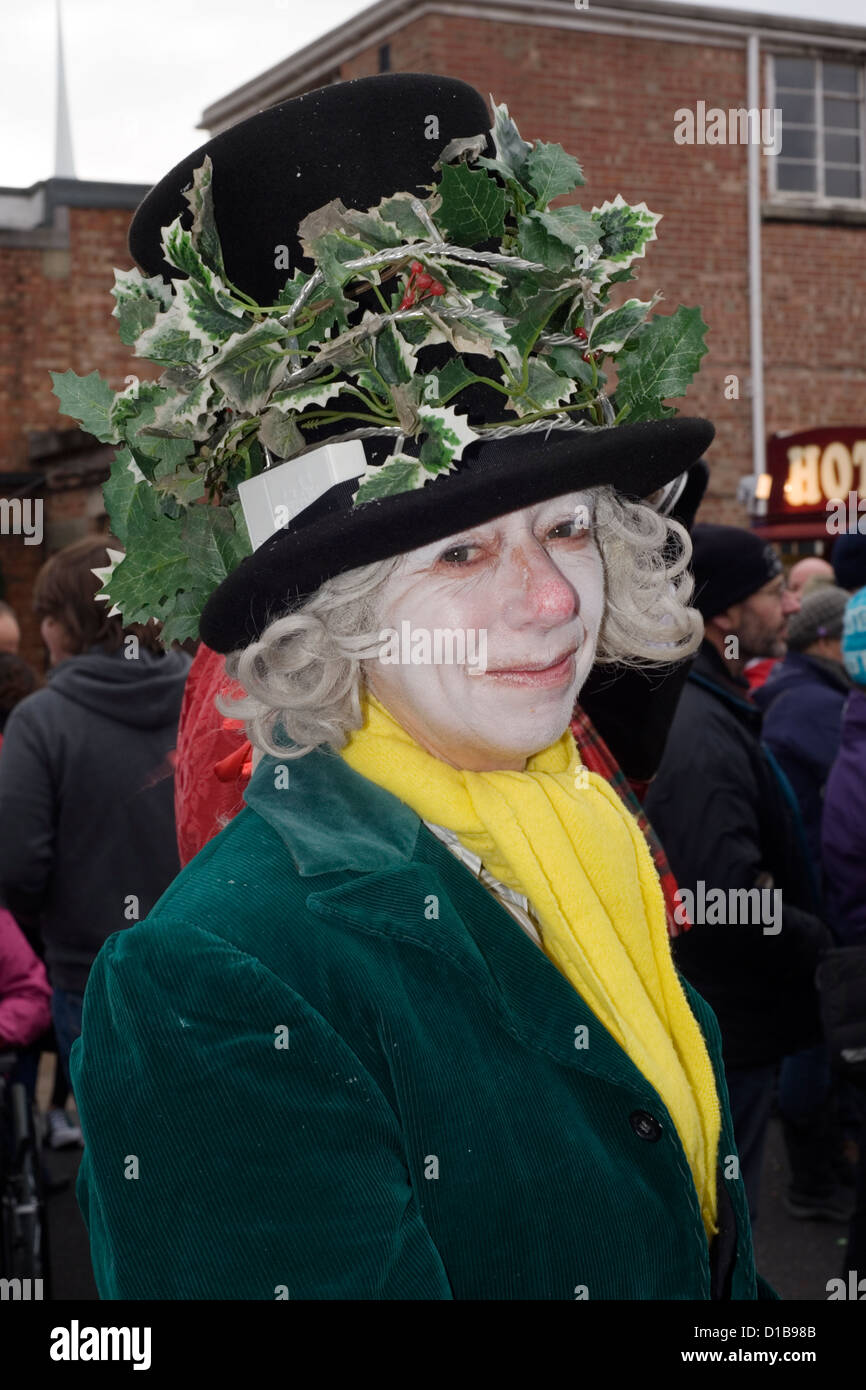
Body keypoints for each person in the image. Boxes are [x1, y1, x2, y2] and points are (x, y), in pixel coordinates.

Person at [70, 73, 772, 1300]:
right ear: (327, 619)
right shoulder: (222, 978)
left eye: (564, 530)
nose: (552, 601)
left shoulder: (584, 832)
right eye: (457, 551)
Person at [645, 523, 834, 1223]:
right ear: (723, 613)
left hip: (740, 1021)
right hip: (732, 1028)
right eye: (774, 590)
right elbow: (719, 894)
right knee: (731, 1229)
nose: (791, 607)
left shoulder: (710, 703)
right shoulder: (699, 727)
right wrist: (815, 936)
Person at [0, 537, 190, 1084]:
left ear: (66, 624)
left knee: (111, 1152)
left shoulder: (41, 722)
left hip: (92, 973)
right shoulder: (202, 695)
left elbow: (18, 866)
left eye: (47, 617)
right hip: (203, 955)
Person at [753, 584, 851, 877]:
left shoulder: (790, 686)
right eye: (852, 637)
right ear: (824, 643)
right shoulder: (819, 707)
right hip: (822, 875)